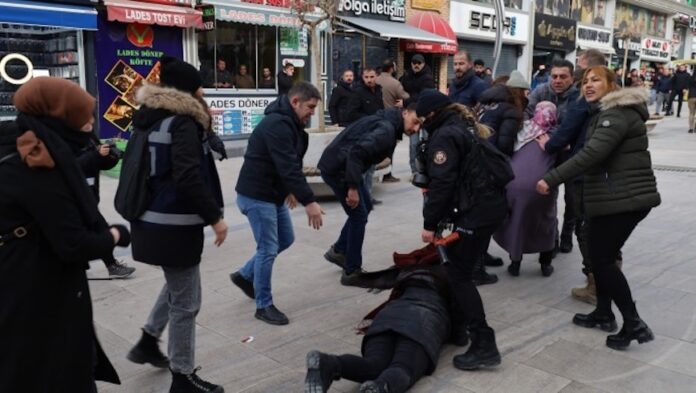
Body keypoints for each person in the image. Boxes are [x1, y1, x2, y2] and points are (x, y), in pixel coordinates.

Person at [0, 77, 121, 391]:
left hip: (23, 275)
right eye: (84, 116)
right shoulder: (37, 159)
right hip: (36, 287)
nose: (91, 123)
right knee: (53, 368)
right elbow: (73, 244)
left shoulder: (30, 142)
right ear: (60, 116)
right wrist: (115, 236)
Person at [537, 66, 660, 350]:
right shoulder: (603, 112)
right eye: (585, 82)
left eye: (596, 81)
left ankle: (633, 323)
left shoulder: (616, 114)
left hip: (624, 199)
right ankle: (604, 313)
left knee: (603, 260)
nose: (588, 86)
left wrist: (551, 178)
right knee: (596, 254)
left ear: (612, 85)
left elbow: (592, 154)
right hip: (613, 197)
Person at [125, 56, 227, 393]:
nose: (204, 92)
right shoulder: (182, 123)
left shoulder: (149, 118)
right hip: (173, 225)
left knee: (177, 284)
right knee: (187, 301)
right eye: (199, 86)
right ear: (188, 89)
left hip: (150, 220)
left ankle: (148, 340)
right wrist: (215, 217)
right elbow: (187, 176)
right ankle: (182, 378)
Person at [417, 90, 506, 369]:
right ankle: (460, 329)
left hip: (476, 214)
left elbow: (443, 184)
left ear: (431, 114)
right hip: (489, 209)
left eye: (422, 118)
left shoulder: (444, 135)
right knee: (459, 268)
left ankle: (484, 344)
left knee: (459, 275)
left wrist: (430, 225)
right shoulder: (463, 126)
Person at [232, 81, 324, 326]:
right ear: (295, 102)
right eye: (310, 107)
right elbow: (286, 165)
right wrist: (309, 201)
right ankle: (263, 305)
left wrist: (291, 191)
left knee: (286, 239)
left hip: (272, 193)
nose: (312, 113)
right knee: (268, 249)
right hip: (256, 195)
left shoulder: (292, 125)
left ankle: (244, 275)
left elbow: (289, 165)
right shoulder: (277, 125)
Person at [304, 264, 456, 393]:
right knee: (403, 367)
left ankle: (329, 363)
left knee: (374, 364)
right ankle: (379, 387)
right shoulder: (455, 284)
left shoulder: (408, 280)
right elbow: (459, 334)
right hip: (421, 325)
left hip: (386, 319)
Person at [536, 49, 612, 304]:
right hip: (604, 174)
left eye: (583, 70)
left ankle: (596, 285)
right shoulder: (615, 99)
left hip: (586, 172)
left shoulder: (586, 100)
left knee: (586, 227)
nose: (587, 83)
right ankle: (604, 281)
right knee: (598, 229)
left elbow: (569, 132)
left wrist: (549, 145)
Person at [318, 105, 422, 285]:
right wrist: (352, 188)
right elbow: (356, 153)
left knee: (365, 207)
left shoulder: (387, 122)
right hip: (340, 169)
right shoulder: (386, 130)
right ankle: (351, 271)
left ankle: (340, 250)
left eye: (420, 126)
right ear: (405, 113)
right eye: (415, 122)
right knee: (358, 215)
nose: (415, 129)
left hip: (345, 166)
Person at [494, 101, 559, 277]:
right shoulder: (556, 135)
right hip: (542, 187)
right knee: (546, 221)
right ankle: (545, 264)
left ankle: (515, 263)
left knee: (517, 221)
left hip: (512, 185)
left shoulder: (523, 131)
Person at [71, 129, 136, 279]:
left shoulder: (90, 137)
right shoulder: (65, 139)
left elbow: (100, 164)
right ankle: (111, 265)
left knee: (91, 229)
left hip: (90, 194)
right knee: (100, 228)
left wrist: (111, 156)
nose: (89, 123)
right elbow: (72, 166)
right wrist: (95, 154)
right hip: (75, 195)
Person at [400, 54, 435, 177]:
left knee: (426, 142)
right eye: (414, 62)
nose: (416, 65)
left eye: (419, 63)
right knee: (413, 143)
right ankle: (414, 170)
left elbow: (423, 96)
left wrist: (406, 101)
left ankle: (427, 168)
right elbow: (401, 90)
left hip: (425, 115)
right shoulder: (407, 76)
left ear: (423, 64)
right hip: (412, 115)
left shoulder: (428, 78)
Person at [376, 58, 410, 183]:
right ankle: (387, 173)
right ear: (391, 68)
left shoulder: (376, 80)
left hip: (376, 118)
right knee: (390, 148)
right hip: (391, 119)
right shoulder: (395, 83)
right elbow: (406, 97)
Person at [479, 71, 528, 157]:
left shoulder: (488, 104)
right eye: (524, 91)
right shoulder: (512, 111)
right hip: (492, 157)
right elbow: (504, 145)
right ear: (519, 91)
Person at [687, 67, 696, 133]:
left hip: (691, 97)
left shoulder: (690, 78)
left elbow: (687, 86)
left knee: (691, 113)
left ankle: (691, 128)